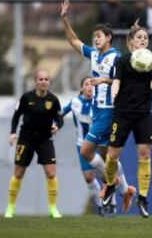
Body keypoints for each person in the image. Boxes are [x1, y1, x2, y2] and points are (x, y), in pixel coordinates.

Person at [61, 0, 136, 214]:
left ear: (109, 38)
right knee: (107, 157)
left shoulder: (116, 58)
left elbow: (125, 82)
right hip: (98, 112)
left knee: (86, 151)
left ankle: (113, 185)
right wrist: (65, 19)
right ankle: (125, 188)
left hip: (108, 112)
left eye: (99, 36)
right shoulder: (94, 55)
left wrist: (106, 80)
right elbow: (73, 40)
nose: (95, 39)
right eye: (94, 36)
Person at [101, 21, 152, 218]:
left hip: (143, 114)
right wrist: (113, 91)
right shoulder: (122, 61)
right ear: (131, 42)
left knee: (145, 155)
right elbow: (117, 81)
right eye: (139, 37)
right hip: (122, 113)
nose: (143, 40)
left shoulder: (151, 62)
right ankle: (111, 185)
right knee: (112, 155)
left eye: (146, 38)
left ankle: (143, 198)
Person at [4, 70, 64, 219]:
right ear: (35, 82)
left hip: (45, 139)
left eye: (46, 79)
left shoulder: (53, 99)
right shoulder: (26, 98)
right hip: (26, 138)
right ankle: (10, 208)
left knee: (51, 173)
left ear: (48, 82)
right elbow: (16, 117)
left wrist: (57, 126)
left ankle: (53, 209)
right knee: (18, 173)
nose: (44, 81)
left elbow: (60, 119)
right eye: (41, 79)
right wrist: (12, 133)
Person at [62, 77, 103, 214]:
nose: (90, 86)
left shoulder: (100, 102)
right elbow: (60, 113)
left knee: (106, 175)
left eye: (92, 84)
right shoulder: (75, 102)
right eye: (86, 84)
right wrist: (53, 123)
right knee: (88, 178)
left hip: (100, 141)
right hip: (82, 143)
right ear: (81, 88)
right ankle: (100, 202)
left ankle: (109, 203)